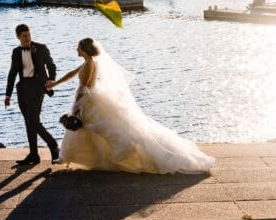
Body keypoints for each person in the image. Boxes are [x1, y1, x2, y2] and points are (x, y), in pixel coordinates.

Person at [46, 38, 214, 175]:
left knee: (86, 128)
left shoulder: (89, 64)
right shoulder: (89, 62)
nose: (76, 50)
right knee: (86, 129)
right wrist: (55, 83)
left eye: (78, 47)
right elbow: (72, 74)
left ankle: (68, 157)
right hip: (89, 99)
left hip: (86, 100)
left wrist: (76, 106)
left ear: (83, 49)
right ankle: (67, 157)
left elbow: (83, 87)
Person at [4, 23, 59, 166]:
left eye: (28, 34)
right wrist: (7, 94)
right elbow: (12, 73)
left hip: (38, 88)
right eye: (24, 36)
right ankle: (34, 154)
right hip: (22, 89)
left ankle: (52, 144)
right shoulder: (16, 52)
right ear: (18, 37)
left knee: (34, 121)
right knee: (28, 122)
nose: (27, 38)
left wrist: (50, 80)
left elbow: (51, 65)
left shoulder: (41, 48)